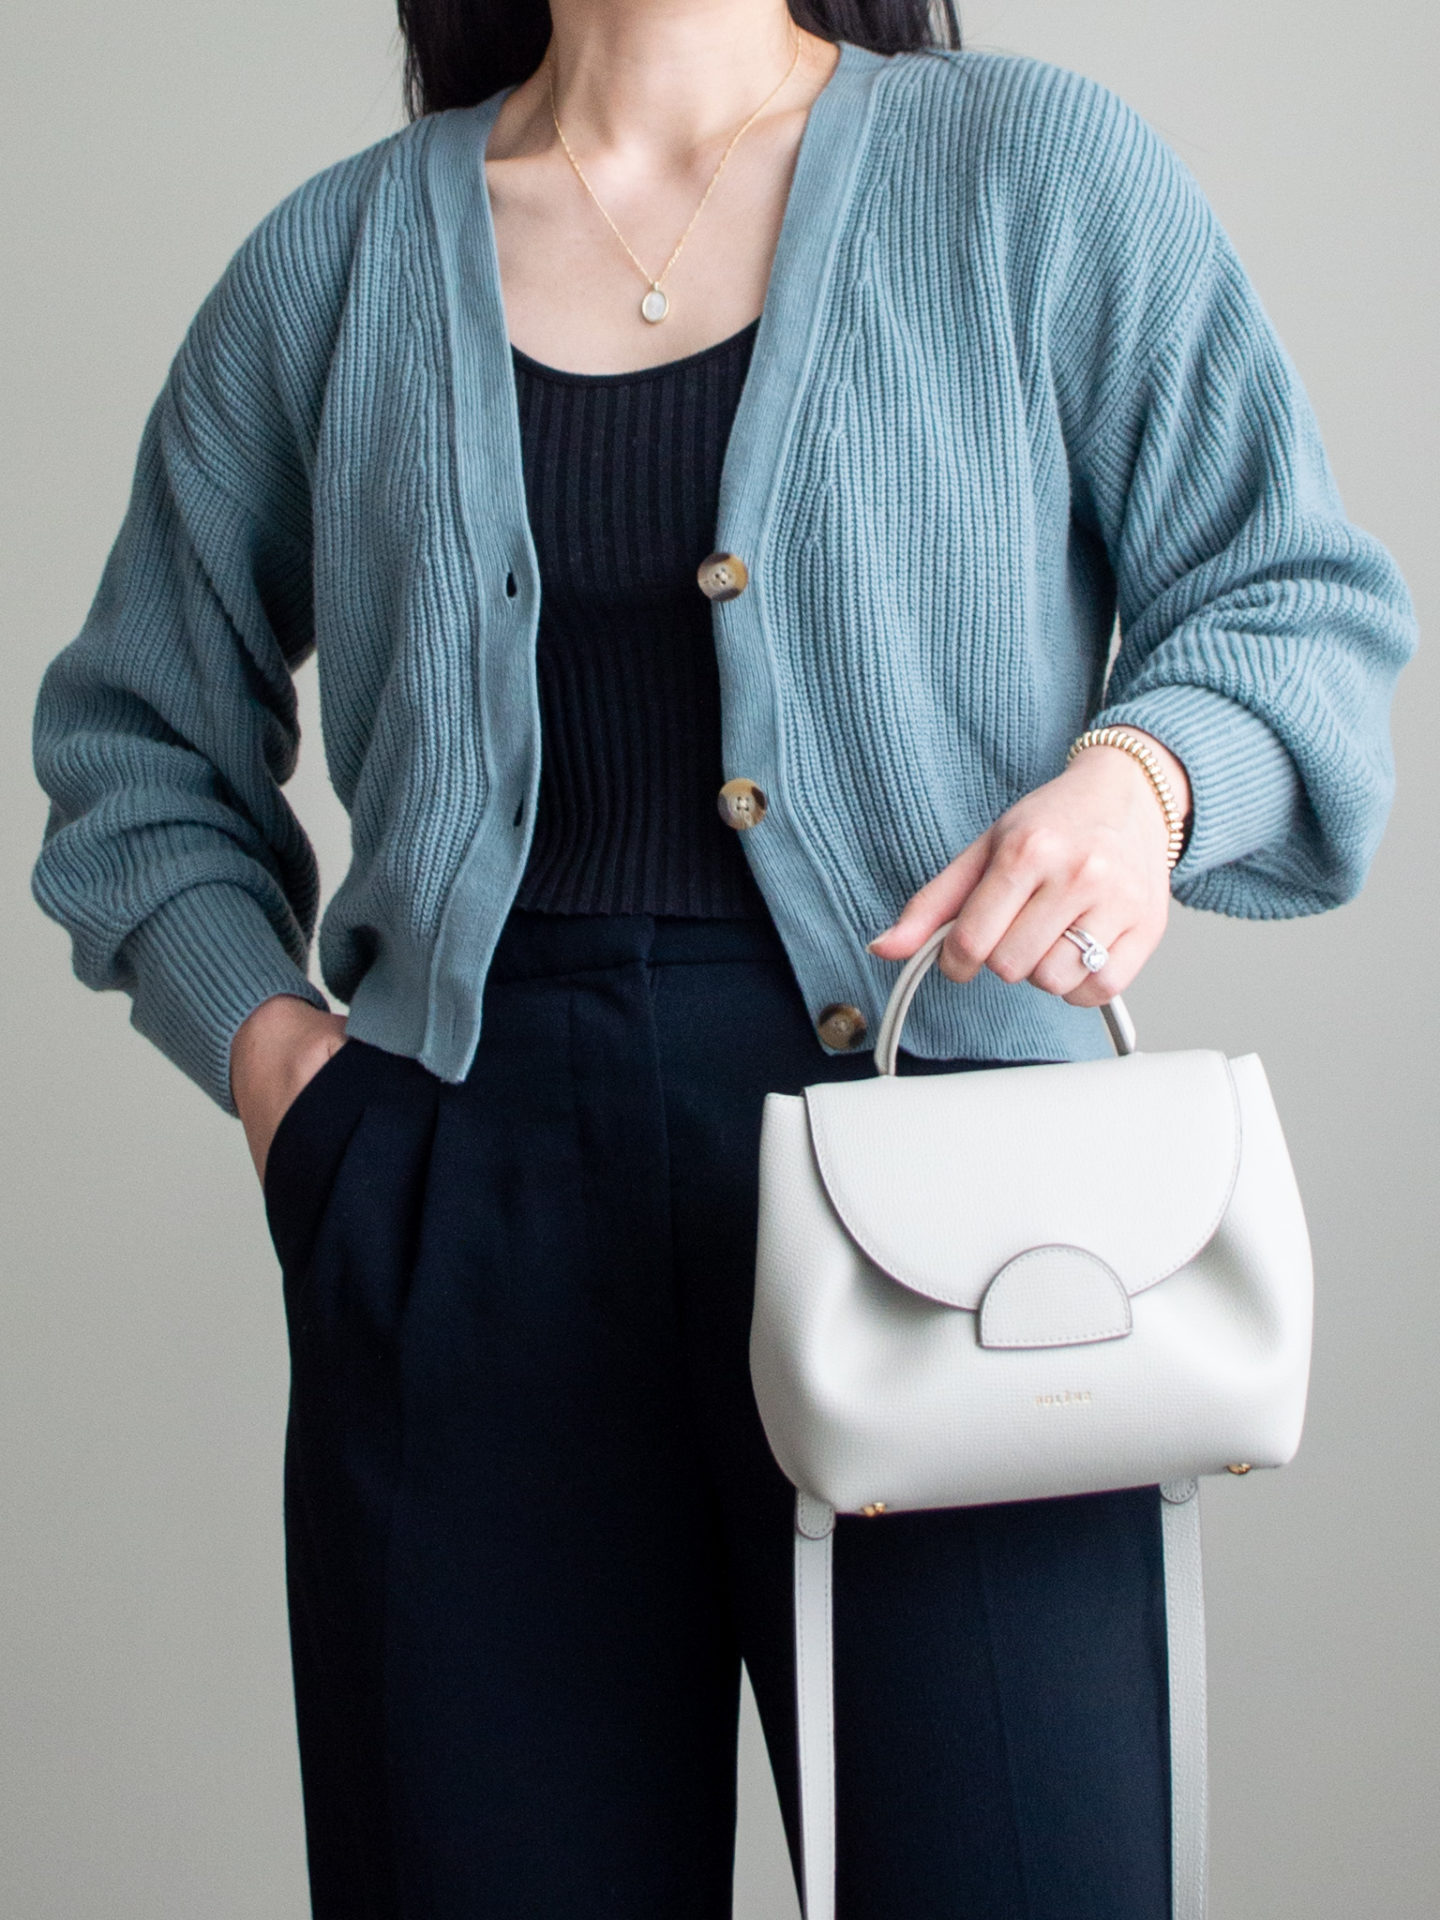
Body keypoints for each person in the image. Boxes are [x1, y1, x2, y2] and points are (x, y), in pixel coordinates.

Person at [30, 1, 1415, 1914]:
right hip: (464, 1225)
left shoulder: (1026, 169)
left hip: (969, 1243)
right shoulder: (333, 263)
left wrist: (1145, 781)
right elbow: (131, 750)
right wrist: (289, 1086)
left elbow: (1293, 600)